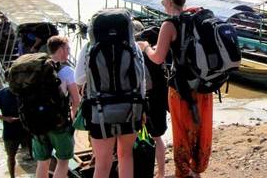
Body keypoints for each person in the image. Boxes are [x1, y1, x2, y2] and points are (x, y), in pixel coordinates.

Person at [138, 0, 213, 178]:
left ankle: (183, 172)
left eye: (163, 2)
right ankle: (197, 172)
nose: (163, 5)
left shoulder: (169, 25)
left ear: (170, 2)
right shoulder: (198, 19)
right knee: (201, 130)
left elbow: (157, 58)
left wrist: (146, 49)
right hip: (204, 87)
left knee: (182, 132)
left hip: (180, 88)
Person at [74, 25, 146, 178]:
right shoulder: (133, 46)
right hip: (130, 108)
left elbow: (78, 78)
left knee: (102, 162)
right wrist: (143, 108)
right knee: (126, 156)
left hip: (99, 109)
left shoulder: (89, 47)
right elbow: (141, 80)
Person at [33, 36, 79, 178]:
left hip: (37, 122)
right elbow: (76, 101)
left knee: (42, 162)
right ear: (60, 50)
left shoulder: (36, 69)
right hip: (59, 123)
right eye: (67, 49)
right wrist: (72, 120)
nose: (69, 52)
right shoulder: (67, 72)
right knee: (63, 161)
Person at [135, 27, 169, 178]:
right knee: (157, 137)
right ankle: (160, 172)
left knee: (153, 137)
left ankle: (158, 172)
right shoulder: (162, 54)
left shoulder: (145, 56)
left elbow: (144, 83)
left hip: (150, 100)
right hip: (161, 98)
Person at [0, 74, 33, 178]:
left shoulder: (24, 93)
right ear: (6, 79)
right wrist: (6, 119)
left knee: (32, 153)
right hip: (10, 130)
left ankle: (31, 171)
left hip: (26, 129)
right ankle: (12, 176)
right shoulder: (0, 95)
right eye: (12, 78)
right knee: (11, 156)